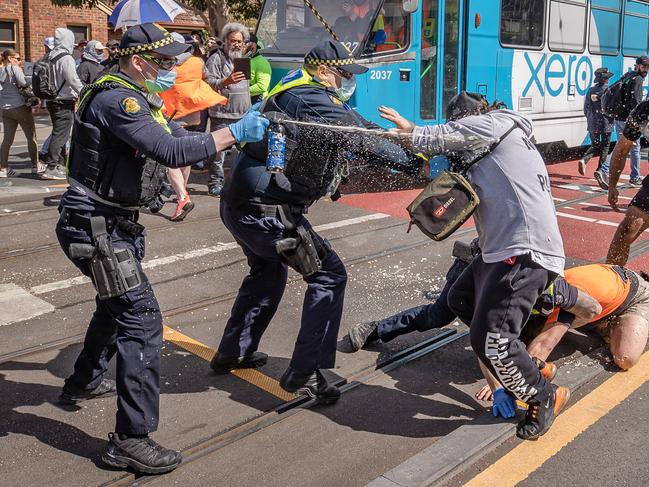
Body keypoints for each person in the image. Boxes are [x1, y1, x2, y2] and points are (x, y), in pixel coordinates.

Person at [55, 23, 268, 474]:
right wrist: (235, 133)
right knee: (141, 318)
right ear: (139, 61)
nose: (172, 69)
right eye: (167, 61)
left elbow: (167, 143)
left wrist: (178, 191)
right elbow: (170, 150)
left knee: (115, 307)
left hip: (107, 222)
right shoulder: (120, 99)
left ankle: (83, 381)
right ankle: (130, 441)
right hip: (95, 226)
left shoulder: (133, 94)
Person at [212, 39, 421, 403]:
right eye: (343, 75)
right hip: (265, 210)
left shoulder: (298, 85)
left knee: (266, 274)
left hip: (246, 203)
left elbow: (357, 125)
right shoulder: (310, 96)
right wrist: (417, 163)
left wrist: (404, 144)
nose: (347, 82)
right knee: (329, 276)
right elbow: (359, 135)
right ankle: (304, 372)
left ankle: (234, 351)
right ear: (324, 70)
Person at [381, 91, 568, 440]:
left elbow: (443, 136)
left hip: (524, 252)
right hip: (497, 252)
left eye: (459, 126)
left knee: (497, 342)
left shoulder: (498, 123)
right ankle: (519, 370)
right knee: (460, 300)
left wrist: (413, 131)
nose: (458, 133)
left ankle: (544, 396)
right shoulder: (487, 149)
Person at [481, 264, 649, 417]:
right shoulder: (515, 291)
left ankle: (608, 323)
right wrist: (496, 387)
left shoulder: (564, 296)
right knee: (529, 330)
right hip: (598, 291)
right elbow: (484, 336)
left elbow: (544, 344)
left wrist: (507, 379)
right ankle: (598, 321)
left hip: (634, 294)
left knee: (625, 358)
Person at [160, 32, 227, 221]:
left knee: (169, 156)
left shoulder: (167, 63)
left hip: (171, 113)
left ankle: (182, 196)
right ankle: (183, 188)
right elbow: (205, 79)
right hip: (192, 114)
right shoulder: (197, 61)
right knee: (185, 155)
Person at [204, 22, 252, 197]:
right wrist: (226, 81)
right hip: (222, 114)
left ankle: (237, 182)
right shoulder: (215, 59)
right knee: (218, 153)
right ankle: (215, 183)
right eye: (233, 41)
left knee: (242, 152)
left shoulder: (243, 59)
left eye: (240, 41)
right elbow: (208, 84)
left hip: (243, 114)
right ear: (225, 41)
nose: (237, 44)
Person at [605, 96, 649, 265]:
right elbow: (622, 149)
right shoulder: (644, 110)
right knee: (627, 229)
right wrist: (612, 185)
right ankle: (612, 282)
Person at [595, 56, 649, 189]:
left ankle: (607, 170)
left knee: (622, 146)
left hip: (619, 117)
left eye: (647, 67)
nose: (645, 70)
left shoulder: (628, 75)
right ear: (637, 66)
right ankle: (631, 176)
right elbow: (636, 103)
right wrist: (640, 119)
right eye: (643, 67)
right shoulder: (638, 79)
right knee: (631, 148)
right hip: (629, 120)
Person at [41, 28, 84, 181]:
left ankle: (59, 164)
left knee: (59, 133)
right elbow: (72, 79)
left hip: (52, 99)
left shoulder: (50, 56)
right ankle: (52, 166)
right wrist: (83, 91)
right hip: (64, 100)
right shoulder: (66, 58)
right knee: (61, 135)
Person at [0, 49, 41, 177]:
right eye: (17, 58)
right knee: (31, 137)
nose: (19, 61)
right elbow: (23, 83)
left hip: (5, 109)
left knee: (7, 139)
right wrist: (31, 79)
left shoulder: (0, 71)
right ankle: (35, 165)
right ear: (9, 58)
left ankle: (3, 168)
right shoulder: (14, 68)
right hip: (20, 107)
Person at [579, 67, 614, 177]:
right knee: (605, 146)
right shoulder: (608, 90)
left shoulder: (591, 90)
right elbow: (611, 107)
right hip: (606, 123)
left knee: (595, 144)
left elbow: (586, 108)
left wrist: (590, 118)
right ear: (605, 79)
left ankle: (584, 160)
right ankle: (601, 170)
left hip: (592, 121)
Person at [246, 34, 272, 104]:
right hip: (245, 98)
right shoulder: (245, 59)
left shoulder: (262, 62)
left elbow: (262, 87)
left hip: (257, 102)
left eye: (245, 43)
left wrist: (241, 91)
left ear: (253, 46)